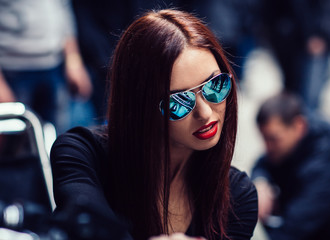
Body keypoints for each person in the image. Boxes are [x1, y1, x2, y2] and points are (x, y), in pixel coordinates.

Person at [50, 9, 258, 240]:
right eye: (178, 101)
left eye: (215, 86)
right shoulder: (82, 154)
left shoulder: (237, 194)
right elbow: (87, 229)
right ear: (139, 106)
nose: (205, 112)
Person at [251, 92, 330, 240]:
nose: (267, 147)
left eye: (273, 139)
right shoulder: (295, 138)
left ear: (299, 126)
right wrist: (261, 182)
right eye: (264, 139)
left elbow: (293, 229)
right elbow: (263, 162)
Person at [0, 0, 93, 133]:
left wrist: (74, 61)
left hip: (54, 67)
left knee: (56, 134)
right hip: (13, 70)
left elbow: (64, 11)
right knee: (16, 142)